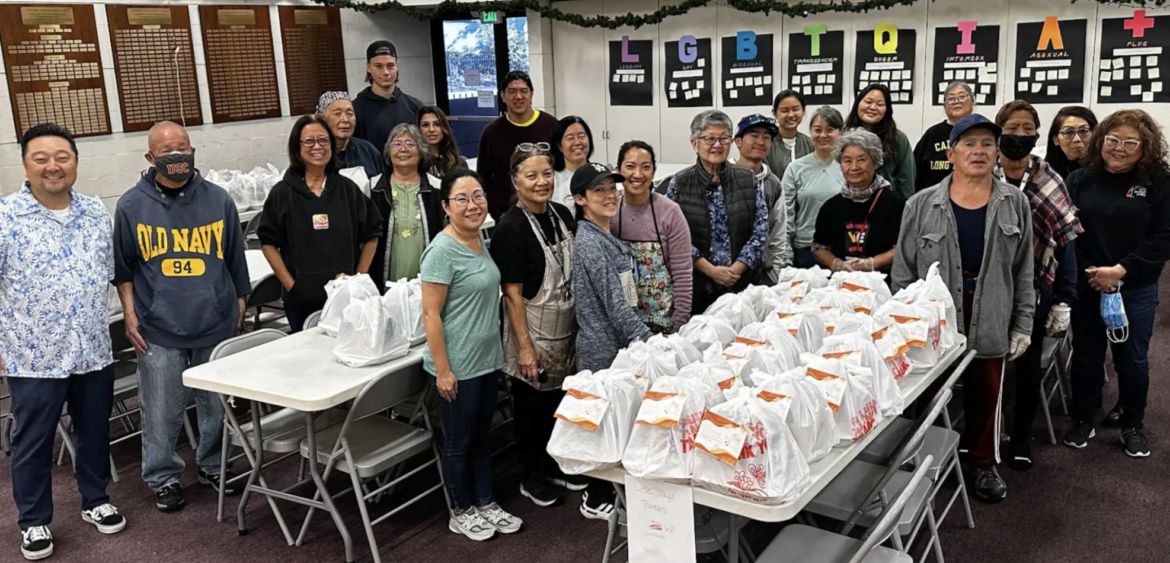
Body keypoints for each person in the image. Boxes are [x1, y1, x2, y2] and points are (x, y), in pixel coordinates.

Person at [892, 114, 1035, 503]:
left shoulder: (1015, 203)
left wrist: (1023, 323)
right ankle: (924, 462)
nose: (979, 151)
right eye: (969, 143)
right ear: (951, 152)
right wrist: (905, 325)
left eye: (987, 143)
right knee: (932, 394)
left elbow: (1025, 270)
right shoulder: (921, 204)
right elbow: (904, 272)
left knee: (987, 392)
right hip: (935, 319)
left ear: (997, 152)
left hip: (992, 309)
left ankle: (983, 465)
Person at [2, 123, 127, 561]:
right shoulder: (5, 216)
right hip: (34, 353)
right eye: (41, 158)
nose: (53, 166)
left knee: (94, 430)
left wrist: (127, 314)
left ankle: (96, 499)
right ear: (25, 164)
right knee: (33, 440)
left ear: (75, 162)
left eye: (63, 157)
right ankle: (34, 521)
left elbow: (114, 272)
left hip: (92, 346)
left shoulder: (95, 211)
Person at [113, 121, 251, 513]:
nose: (176, 156)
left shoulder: (219, 199)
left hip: (214, 320)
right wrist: (129, 312)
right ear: (150, 157)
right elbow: (123, 268)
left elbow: (234, 255)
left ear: (193, 150)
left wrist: (240, 300)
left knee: (215, 405)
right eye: (166, 150)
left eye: (182, 148)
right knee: (161, 408)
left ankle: (213, 464)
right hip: (158, 326)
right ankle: (163, 477)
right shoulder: (130, 205)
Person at [1062, 109, 1170, 459]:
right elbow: (1067, 233)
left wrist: (1120, 270)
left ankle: (1133, 425)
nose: (1118, 148)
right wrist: (1092, 273)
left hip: (1135, 286)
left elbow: (1163, 237)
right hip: (1088, 282)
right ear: (1101, 141)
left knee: (1132, 359)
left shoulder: (1160, 183)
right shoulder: (1079, 179)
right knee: (1087, 356)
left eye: (1129, 142)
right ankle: (1083, 419)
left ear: (1146, 147)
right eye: (1112, 139)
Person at [421, 169, 521, 541]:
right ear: (446, 206)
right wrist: (443, 371)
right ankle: (460, 509)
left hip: (486, 360)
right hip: (456, 366)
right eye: (461, 199)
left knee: (482, 437)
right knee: (459, 442)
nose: (472, 205)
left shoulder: (480, 239)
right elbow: (431, 315)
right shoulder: (441, 252)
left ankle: (485, 502)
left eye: (477, 196)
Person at [990, 101, 1082, 470]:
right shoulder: (984, 174)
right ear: (999, 132)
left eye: (1029, 128)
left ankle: (1021, 437)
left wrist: (1064, 299)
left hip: (1034, 289)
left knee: (1027, 368)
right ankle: (985, 433)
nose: (1021, 135)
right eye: (1013, 128)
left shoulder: (1049, 179)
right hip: (990, 286)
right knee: (986, 364)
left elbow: (1065, 241)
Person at [490, 148, 581, 508]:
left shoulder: (560, 214)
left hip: (565, 326)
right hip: (531, 329)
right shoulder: (510, 228)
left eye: (547, 174)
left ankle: (556, 463)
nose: (541, 182)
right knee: (531, 408)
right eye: (531, 176)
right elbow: (511, 294)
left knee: (558, 403)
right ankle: (531, 475)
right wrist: (525, 348)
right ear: (516, 181)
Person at [572, 162, 653, 520]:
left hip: (618, 344)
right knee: (603, 429)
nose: (610, 196)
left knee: (619, 426)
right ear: (580, 200)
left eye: (612, 188)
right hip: (603, 350)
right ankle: (595, 497)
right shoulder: (589, 242)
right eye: (599, 191)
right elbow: (615, 304)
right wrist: (650, 344)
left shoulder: (605, 235)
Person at [257, 115, 383, 332]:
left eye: (323, 140)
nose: (317, 146)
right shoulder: (282, 193)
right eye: (309, 141)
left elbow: (372, 233)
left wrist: (358, 278)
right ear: (297, 148)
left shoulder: (348, 189)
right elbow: (268, 243)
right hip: (301, 299)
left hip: (347, 297)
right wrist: (292, 286)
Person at [664, 110, 768, 315]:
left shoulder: (747, 179)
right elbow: (672, 237)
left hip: (743, 285)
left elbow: (761, 231)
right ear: (695, 143)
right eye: (710, 138)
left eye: (723, 138)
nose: (717, 145)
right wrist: (710, 270)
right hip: (698, 287)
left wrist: (737, 269)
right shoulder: (679, 183)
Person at [612, 141, 693, 332]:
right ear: (617, 170)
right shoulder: (609, 210)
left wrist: (679, 324)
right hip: (622, 325)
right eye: (630, 167)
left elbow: (682, 274)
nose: (638, 175)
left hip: (663, 324)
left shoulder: (670, 212)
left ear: (654, 172)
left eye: (646, 167)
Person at [812, 129, 906, 274]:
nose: (854, 167)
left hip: (884, 286)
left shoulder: (895, 204)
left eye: (862, 159)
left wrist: (871, 263)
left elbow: (904, 247)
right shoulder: (831, 207)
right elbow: (820, 248)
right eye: (847, 161)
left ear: (875, 162)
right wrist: (838, 264)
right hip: (841, 287)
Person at [369, 123, 442, 292]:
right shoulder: (372, 188)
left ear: (421, 151)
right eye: (396, 144)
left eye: (410, 144)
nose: (403, 149)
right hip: (383, 282)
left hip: (428, 283)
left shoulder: (437, 188)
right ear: (389, 151)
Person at [476, 71, 559, 220]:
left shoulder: (550, 125)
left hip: (548, 211)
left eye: (524, 91)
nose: (518, 96)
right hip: (507, 215)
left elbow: (561, 167)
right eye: (512, 91)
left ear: (531, 95)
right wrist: (498, 214)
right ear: (503, 96)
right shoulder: (491, 132)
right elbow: (483, 177)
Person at [782, 106, 846, 268]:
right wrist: (786, 257)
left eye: (830, 129)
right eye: (817, 130)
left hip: (842, 248)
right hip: (805, 249)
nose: (823, 135)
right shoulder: (795, 168)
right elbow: (785, 215)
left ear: (841, 132)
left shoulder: (850, 168)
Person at [735, 114, 793, 282]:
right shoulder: (723, 177)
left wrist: (774, 272)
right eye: (754, 136)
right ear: (738, 141)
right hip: (725, 271)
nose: (760, 142)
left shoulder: (773, 183)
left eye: (766, 137)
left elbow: (778, 231)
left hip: (761, 273)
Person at [352, 40, 425, 152]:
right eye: (379, 66)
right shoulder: (355, 110)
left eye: (390, 66)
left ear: (397, 66)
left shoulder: (414, 107)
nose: (386, 72)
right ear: (368, 67)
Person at [846, 84, 915, 198]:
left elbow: (906, 182)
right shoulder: (845, 136)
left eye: (880, 104)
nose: (873, 107)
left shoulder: (898, 139)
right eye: (868, 102)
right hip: (849, 202)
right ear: (857, 104)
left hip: (886, 205)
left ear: (887, 109)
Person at [914, 81, 974, 192]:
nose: (956, 101)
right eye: (951, 98)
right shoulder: (932, 134)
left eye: (962, 96)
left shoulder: (981, 131)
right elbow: (914, 170)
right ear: (944, 105)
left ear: (972, 101)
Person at [317, 91, 383, 178]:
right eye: (337, 113)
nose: (345, 119)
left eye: (350, 113)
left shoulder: (368, 151)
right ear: (322, 119)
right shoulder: (315, 153)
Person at [764, 90, 813, 180]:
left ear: (803, 112)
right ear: (775, 114)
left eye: (795, 109)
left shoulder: (811, 144)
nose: (791, 115)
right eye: (784, 110)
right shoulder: (766, 144)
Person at [550, 116, 595, 207]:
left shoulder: (599, 174)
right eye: (570, 138)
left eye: (582, 136)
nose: (577, 142)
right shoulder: (552, 179)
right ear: (559, 146)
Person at [1045, 106, 1099, 180]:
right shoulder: (1045, 174)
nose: (1077, 139)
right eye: (1069, 132)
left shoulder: (1105, 170)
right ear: (1056, 139)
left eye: (1083, 131)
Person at [417, 105, 468, 177]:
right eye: (425, 125)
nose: (431, 129)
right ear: (418, 129)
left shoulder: (459, 163)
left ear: (444, 128)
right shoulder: (414, 163)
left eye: (437, 124)